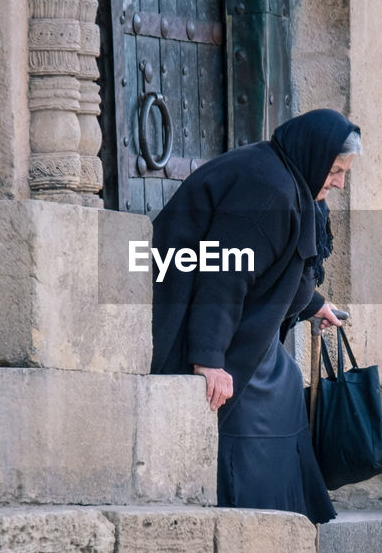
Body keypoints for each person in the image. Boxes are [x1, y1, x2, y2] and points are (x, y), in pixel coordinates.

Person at [150, 108, 361, 524]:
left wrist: (314, 303)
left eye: (343, 172)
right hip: (192, 308)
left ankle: (286, 531)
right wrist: (209, 359)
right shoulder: (270, 192)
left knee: (283, 384)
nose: (338, 182)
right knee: (265, 395)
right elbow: (223, 277)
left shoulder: (292, 183)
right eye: (335, 171)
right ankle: (252, 526)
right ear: (314, 156)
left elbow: (277, 265)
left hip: (238, 325)